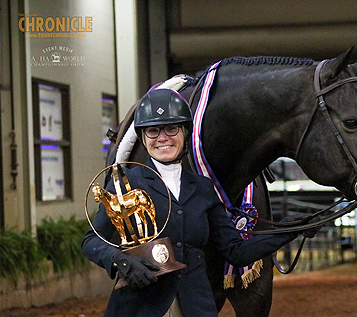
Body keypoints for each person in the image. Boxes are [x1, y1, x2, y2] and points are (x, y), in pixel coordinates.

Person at [82, 88, 316, 317]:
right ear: (144, 138)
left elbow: (236, 251)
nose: (163, 138)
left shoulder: (203, 189)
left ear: (184, 132)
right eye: (153, 131)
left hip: (196, 305)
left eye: (171, 128)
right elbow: (91, 240)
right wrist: (121, 262)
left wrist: (289, 229)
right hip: (141, 305)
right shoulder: (126, 184)